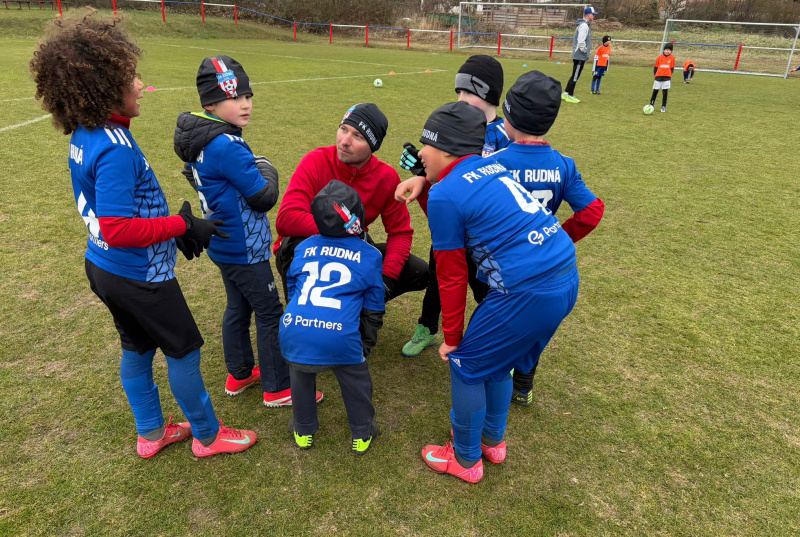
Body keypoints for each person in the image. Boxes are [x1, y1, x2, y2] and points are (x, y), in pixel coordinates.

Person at [30, 12, 256, 458]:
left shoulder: (88, 134)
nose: (140, 85)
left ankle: (151, 433)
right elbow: (118, 229)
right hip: (139, 276)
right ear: (104, 86)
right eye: (130, 77)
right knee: (184, 350)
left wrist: (169, 229)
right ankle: (208, 436)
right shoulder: (114, 147)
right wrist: (182, 226)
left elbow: (117, 215)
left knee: (136, 348)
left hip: (105, 269)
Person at [414, 101, 580, 484]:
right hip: (564, 275)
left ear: (446, 149)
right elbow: (458, 213)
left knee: (467, 366)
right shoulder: (492, 166)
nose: (420, 153)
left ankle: (465, 458)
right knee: (498, 362)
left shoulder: (446, 193)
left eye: (426, 144)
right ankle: (493, 441)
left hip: (526, 290)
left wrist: (452, 337)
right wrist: (424, 185)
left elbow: (452, 274)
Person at [174, 56, 321, 408]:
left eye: (247, 95)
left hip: (222, 241)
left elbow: (206, 177)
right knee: (270, 311)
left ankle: (239, 373)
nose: (244, 104)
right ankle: (278, 387)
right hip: (243, 246)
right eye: (233, 97)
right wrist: (267, 167)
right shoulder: (226, 144)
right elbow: (263, 197)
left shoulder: (202, 137)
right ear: (210, 103)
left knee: (238, 306)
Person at [498, 71, 605, 406]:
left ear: (511, 116)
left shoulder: (496, 164)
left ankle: (498, 384)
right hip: (547, 268)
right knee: (535, 326)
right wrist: (557, 238)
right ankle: (524, 385)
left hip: (507, 268)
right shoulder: (563, 164)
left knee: (502, 327)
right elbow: (592, 210)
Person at [396, 55, 509, 357]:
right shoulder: (453, 123)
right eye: (458, 92)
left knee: (486, 289)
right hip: (451, 230)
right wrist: (422, 173)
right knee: (438, 280)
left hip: (485, 239)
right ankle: (427, 328)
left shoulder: (504, 136)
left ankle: (500, 341)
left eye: (468, 92)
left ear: (489, 94)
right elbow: (442, 173)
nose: (461, 98)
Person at [273, 103, 428, 307]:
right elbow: (286, 219)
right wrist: (347, 231)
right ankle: (310, 305)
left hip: (353, 248)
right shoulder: (316, 160)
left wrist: (386, 280)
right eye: (343, 129)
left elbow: (400, 233)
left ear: (372, 146)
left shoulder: (386, 177)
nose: (345, 141)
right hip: (306, 246)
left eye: (358, 136)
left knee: (417, 270)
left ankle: (361, 304)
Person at [279, 181, 385, 454]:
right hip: (339, 335)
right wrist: (366, 342)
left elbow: (292, 288)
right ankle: (362, 432)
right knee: (356, 381)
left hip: (294, 329)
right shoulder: (370, 254)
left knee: (300, 374)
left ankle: (303, 430)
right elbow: (374, 306)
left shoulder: (302, 247)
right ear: (357, 215)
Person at [563, 6, 599, 104]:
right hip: (580, 55)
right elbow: (581, 41)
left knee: (574, 75)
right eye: (593, 14)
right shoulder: (584, 26)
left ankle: (565, 93)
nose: (594, 16)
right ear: (588, 15)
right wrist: (585, 51)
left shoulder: (584, 25)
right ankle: (570, 95)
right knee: (575, 76)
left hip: (580, 55)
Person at [650, 43, 675, 113]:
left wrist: (669, 75)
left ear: (671, 51)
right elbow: (655, 67)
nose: (668, 51)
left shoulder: (672, 58)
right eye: (666, 50)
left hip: (666, 78)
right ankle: (651, 104)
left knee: (665, 92)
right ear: (664, 50)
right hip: (658, 77)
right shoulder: (659, 58)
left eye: (669, 50)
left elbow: (672, 68)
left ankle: (663, 106)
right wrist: (656, 75)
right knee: (655, 91)